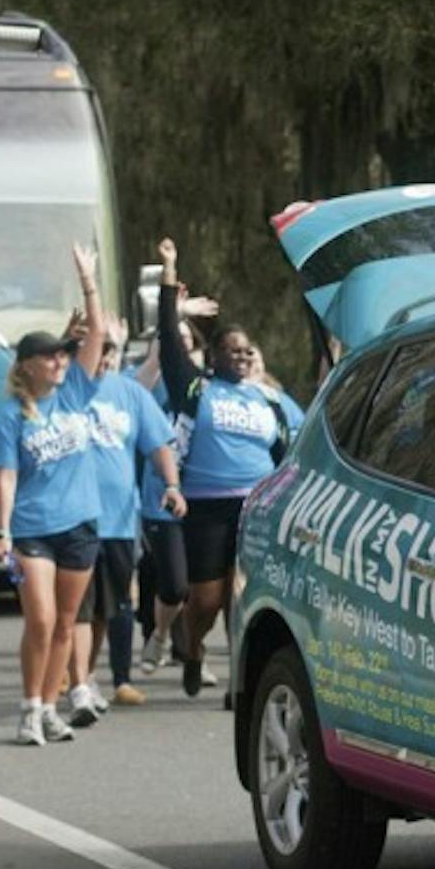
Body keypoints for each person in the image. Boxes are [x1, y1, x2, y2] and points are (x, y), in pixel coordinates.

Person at [156, 237, 303, 696]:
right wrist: (168, 272)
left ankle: (239, 682)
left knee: (241, 597)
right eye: (232, 351)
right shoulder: (197, 390)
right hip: (205, 508)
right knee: (206, 598)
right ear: (214, 356)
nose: (241, 357)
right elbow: (167, 341)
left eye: (247, 351)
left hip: (255, 506)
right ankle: (193, 647)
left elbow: (291, 452)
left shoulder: (271, 400)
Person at [0, 244, 106, 746]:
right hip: (33, 529)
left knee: (66, 623)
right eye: (50, 356)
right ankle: (30, 706)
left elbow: (95, 334)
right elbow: (6, 476)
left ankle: (52, 708)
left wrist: (88, 281)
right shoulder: (11, 416)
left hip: (80, 522)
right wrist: (3, 530)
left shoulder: (76, 390)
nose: (60, 360)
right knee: (42, 618)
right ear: (27, 366)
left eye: (62, 354)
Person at [66, 317, 185, 722]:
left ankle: (101, 678)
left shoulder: (131, 393)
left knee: (110, 607)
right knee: (78, 609)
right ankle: (78, 681)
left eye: (110, 351)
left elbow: (160, 444)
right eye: (98, 350)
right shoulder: (68, 391)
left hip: (119, 521)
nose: (104, 358)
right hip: (74, 519)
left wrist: (172, 485)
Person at [131, 306, 214, 676]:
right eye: (171, 340)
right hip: (159, 497)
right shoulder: (146, 384)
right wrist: (172, 318)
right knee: (172, 582)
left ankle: (192, 651)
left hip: (204, 497)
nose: (179, 346)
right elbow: (139, 386)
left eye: (186, 340)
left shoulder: (208, 387)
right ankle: (160, 635)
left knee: (201, 585)